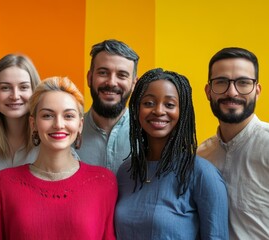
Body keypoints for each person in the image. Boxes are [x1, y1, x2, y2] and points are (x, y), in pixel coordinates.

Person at [0, 77, 117, 240]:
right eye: (47, 115)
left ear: (80, 125)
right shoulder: (5, 183)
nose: (58, 124)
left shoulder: (103, 182)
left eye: (68, 116)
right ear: (33, 123)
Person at [115, 68, 228, 239]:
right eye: (149, 103)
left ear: (182, 112)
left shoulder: (203, 174)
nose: (159, 111)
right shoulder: (126, 171)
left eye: (169, 104)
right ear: (137, 110)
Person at [197, 47, 269, 239]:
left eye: (243, 83)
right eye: (221, 82)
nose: (232, 92)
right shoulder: (200, 156)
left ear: (257, 90)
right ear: (208, 91)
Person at [75, 39, 139, 173]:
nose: (111, 82)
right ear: (89, 78)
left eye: (122, 75)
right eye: (103, 72)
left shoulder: (148, 136)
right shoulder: (68, 135)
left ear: (134, 84)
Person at [0, 54, 40, 176]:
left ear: (35, 92)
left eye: (23, 87)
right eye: (5, 88)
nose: (15, 96)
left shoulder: (50, 140)